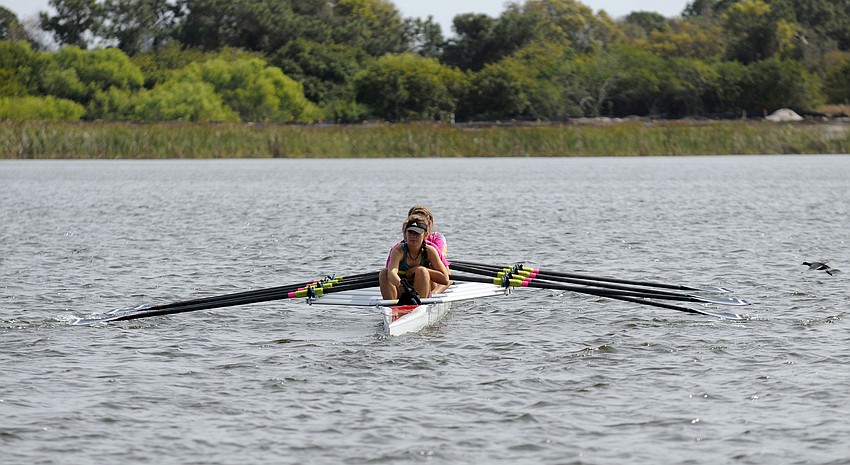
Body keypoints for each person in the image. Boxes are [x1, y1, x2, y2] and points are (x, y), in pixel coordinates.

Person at [380, 214, 450, 300]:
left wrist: (419, 268)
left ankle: (419, 306)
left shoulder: (430, 251)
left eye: (417, 233)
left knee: (422, 271)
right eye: (410, 232)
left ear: (425, 235)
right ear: (405, 233)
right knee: (384, 273)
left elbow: (445, 279)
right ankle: (392, 308)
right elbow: (391, 273)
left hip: (421, 293)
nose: (413, 236)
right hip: (401, 291)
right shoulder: (398, 251)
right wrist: (400, 284)